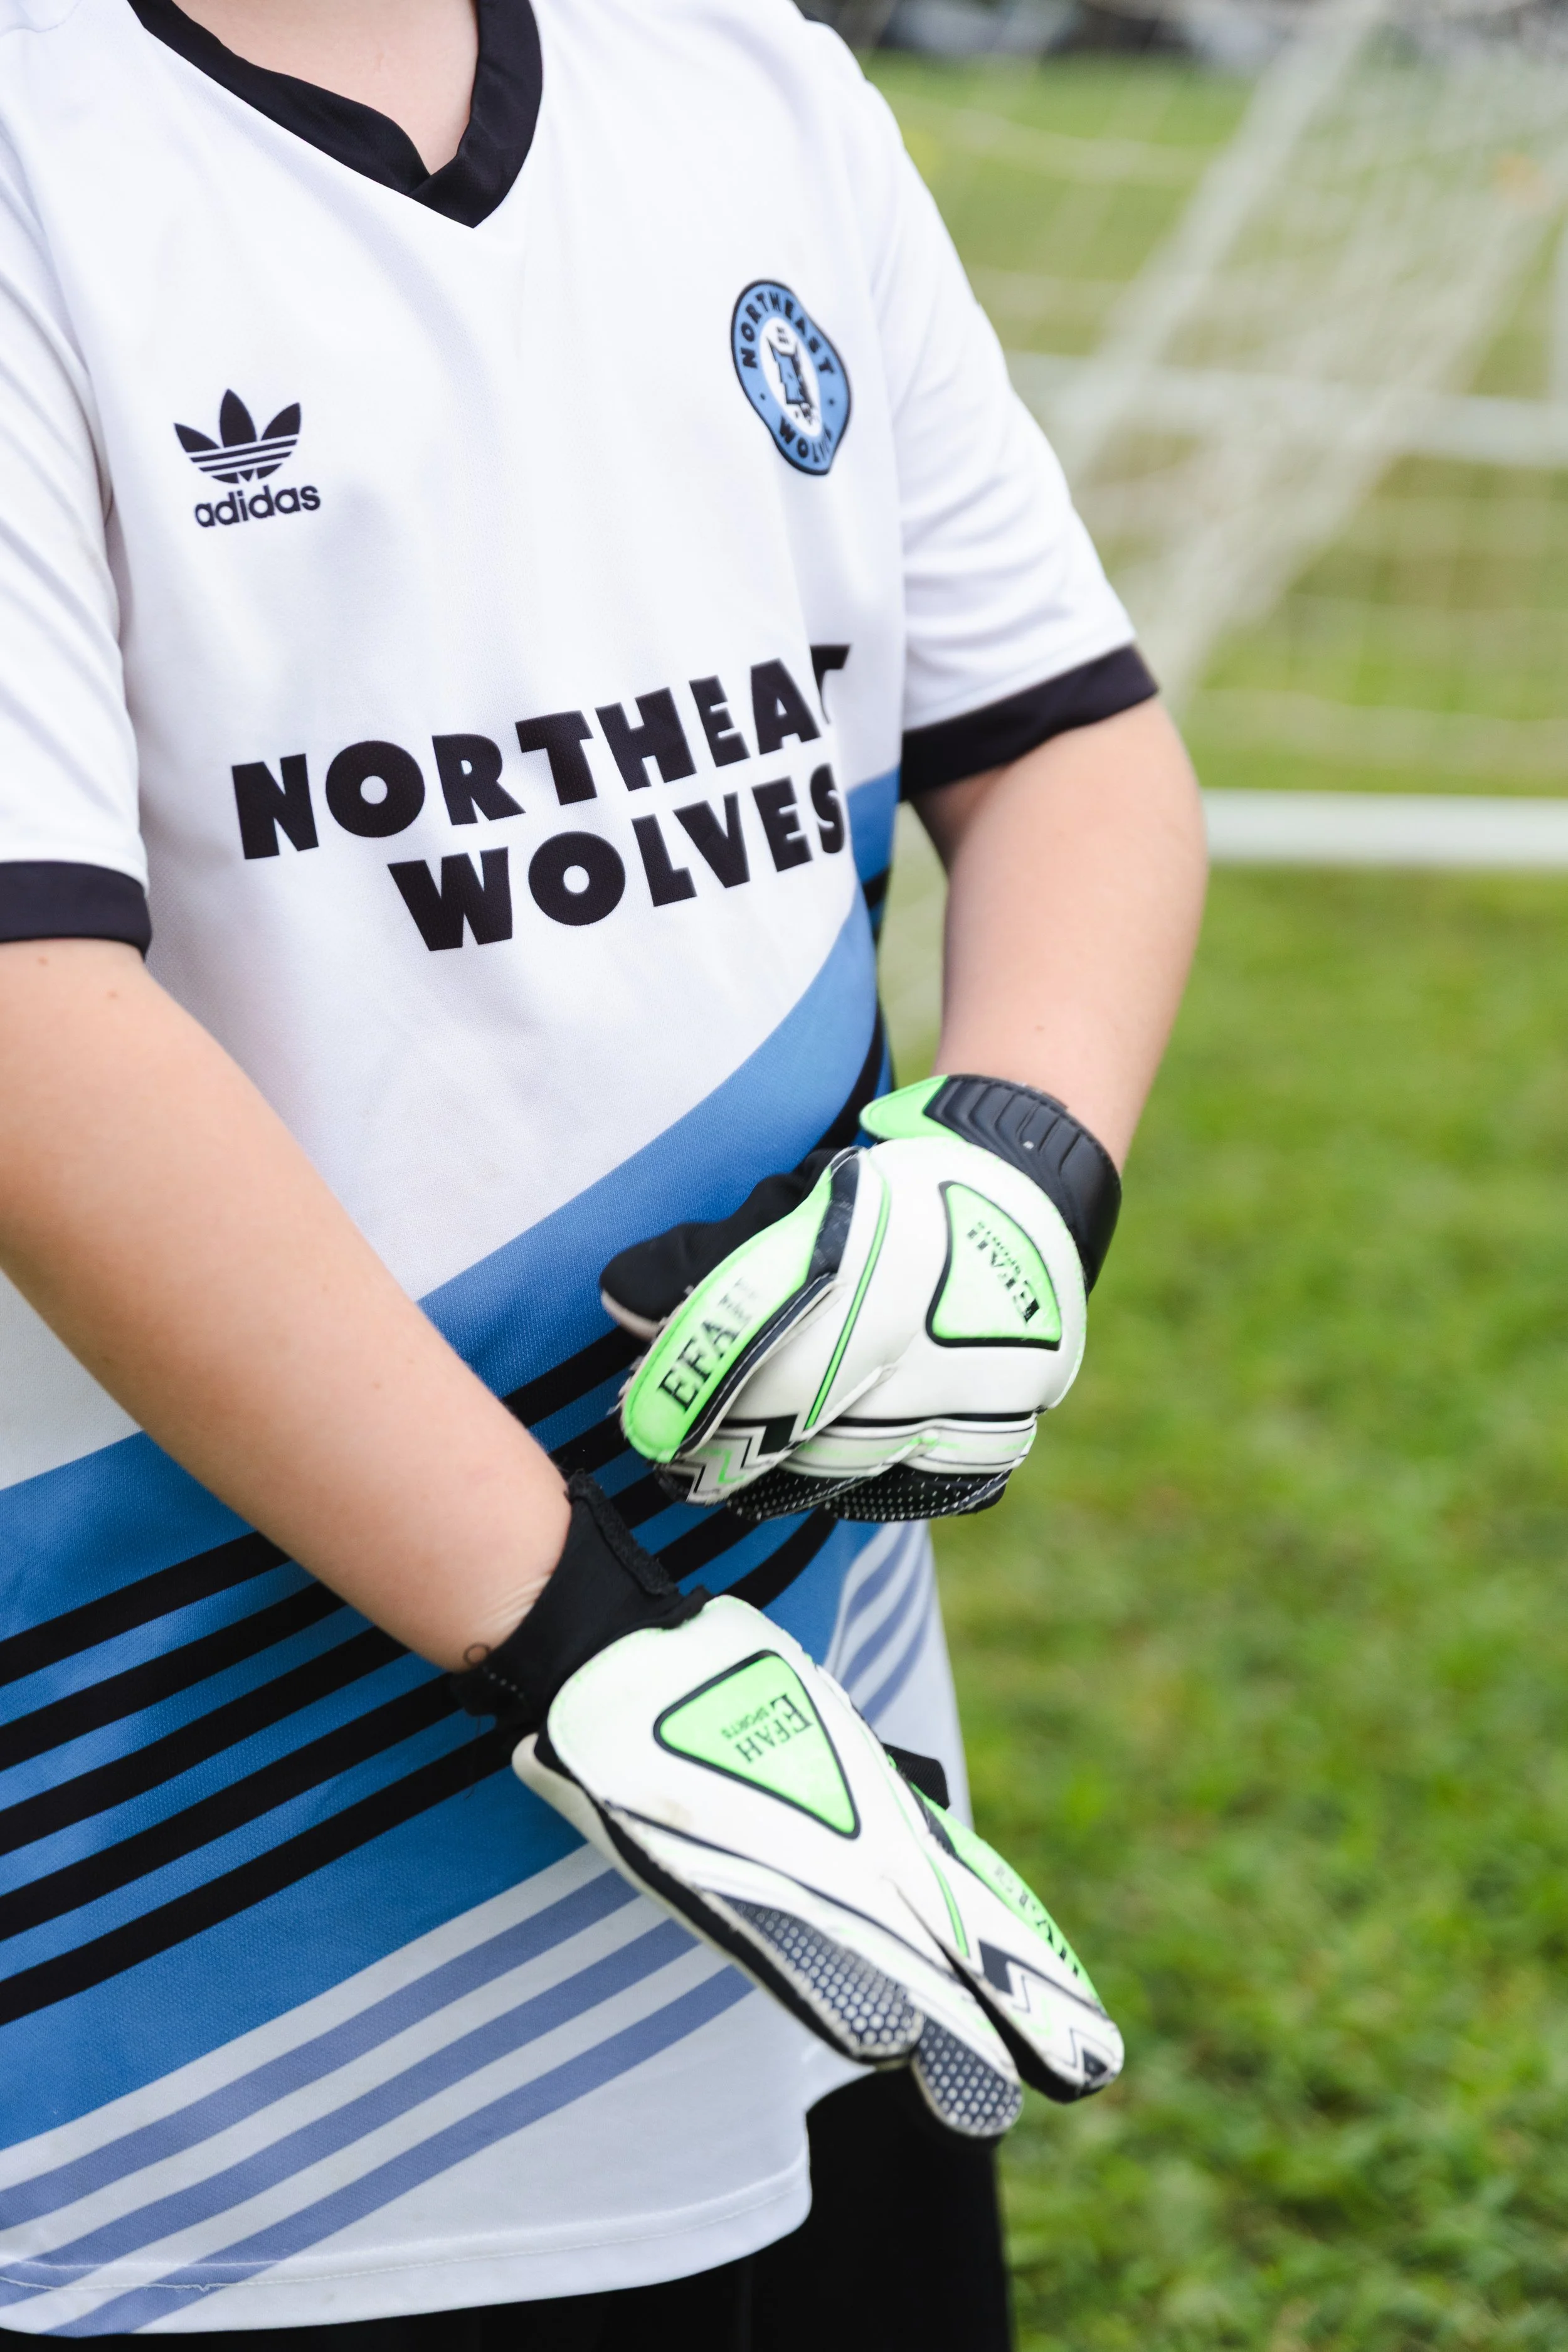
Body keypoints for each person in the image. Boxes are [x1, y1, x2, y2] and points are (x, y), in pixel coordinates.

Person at [0, 0, 1207, 2340]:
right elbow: (30, 1017)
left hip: (815, 1804)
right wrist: (575, 1641)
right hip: (218, 1946)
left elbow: (1069, 742)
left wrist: (1019, 1157)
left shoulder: (749, 84)